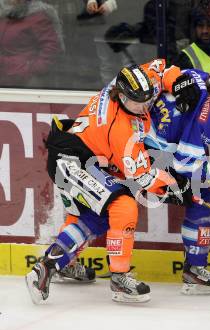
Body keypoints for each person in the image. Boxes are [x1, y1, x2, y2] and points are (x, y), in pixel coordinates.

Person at [25, 63, 194, 304]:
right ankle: (116, 278)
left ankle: (61, 264)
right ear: (122, 97)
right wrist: (176, 188)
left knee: (91, 215)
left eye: (148, 99)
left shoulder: (131, 86)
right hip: (73, 163)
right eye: (139, 103)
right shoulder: (119, 129)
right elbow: (142, 177)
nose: (145, 106)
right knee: (122, 207)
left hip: (82, 156)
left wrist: (177, 82)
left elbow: (159, 69)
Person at [144, 64, 210, 295]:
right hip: (148, 160)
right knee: (201, 199)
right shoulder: (207, 118)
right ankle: (195, 270)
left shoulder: (196, 76)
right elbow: (185, 163)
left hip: (140, 144)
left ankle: (195, 269)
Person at [0, 0, 64, 87]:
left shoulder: (37, 16)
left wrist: (31, 70)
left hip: (24, 81)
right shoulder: (5, 12)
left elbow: (52, 48)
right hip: (5, 76)